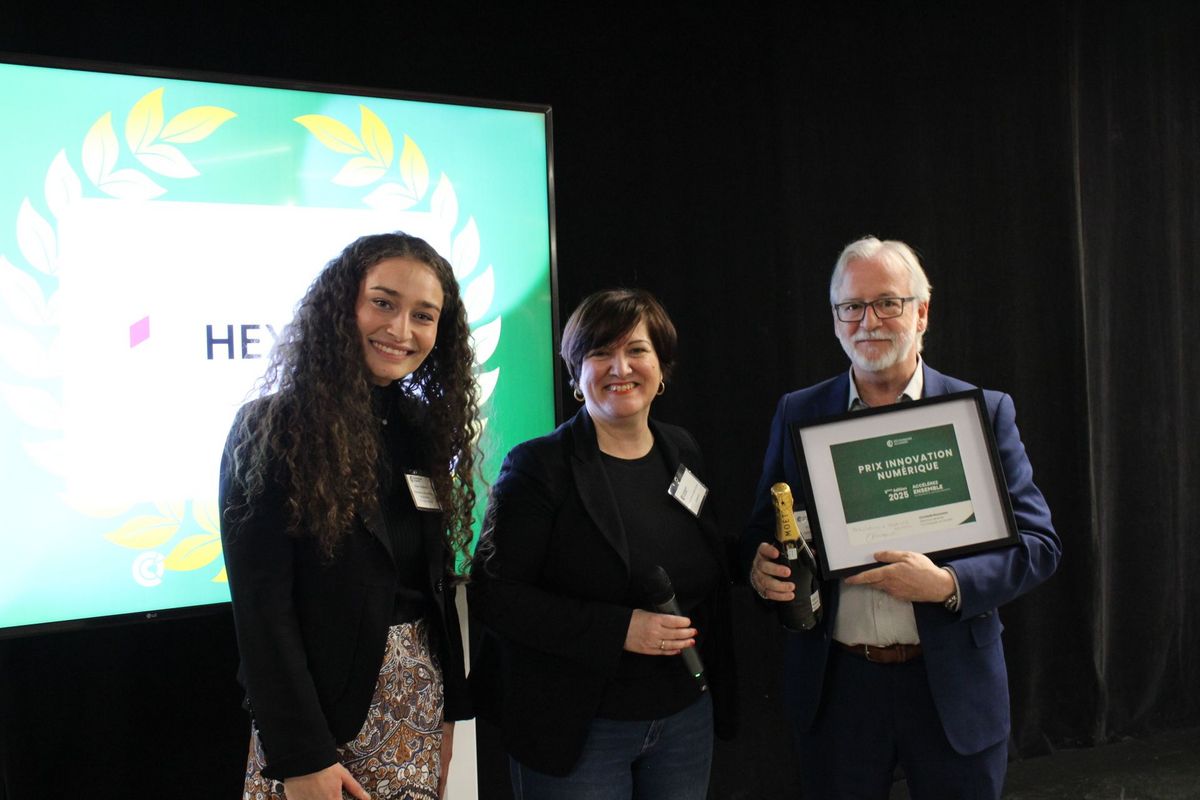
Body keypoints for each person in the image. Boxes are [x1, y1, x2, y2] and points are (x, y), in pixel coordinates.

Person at [743, 236, 1060, 799]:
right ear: (836, 319)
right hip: (839, 689)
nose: (869, 321)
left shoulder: (983, 412)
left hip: (951, 690)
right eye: (852, 306)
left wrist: (948, 584)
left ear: (922, 312)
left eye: (887, 302)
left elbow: (1039, 545)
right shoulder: (798, 412)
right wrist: (758, 565)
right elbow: (763, 529)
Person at [218, 232, 478, 800]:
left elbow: (433, 586)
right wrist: (302, 757)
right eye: (383, 303)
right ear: (343, 306)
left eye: (423, 315)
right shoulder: (273, 430)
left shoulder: (422, 429)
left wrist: (450, 713)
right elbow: (262, 612)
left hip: (416, 709)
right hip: (318, 722)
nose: (401, 330)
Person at [468, 289, 736, 799]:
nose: (621, 367)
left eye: (636, 350)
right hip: (580, 728)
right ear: (576, 374)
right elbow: (495, 596)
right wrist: (619, 630)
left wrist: (753, 562)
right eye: (600, 353)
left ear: (661, 367)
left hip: (683, 718)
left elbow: (705, 554)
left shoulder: (681, 449)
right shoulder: (537, 467)